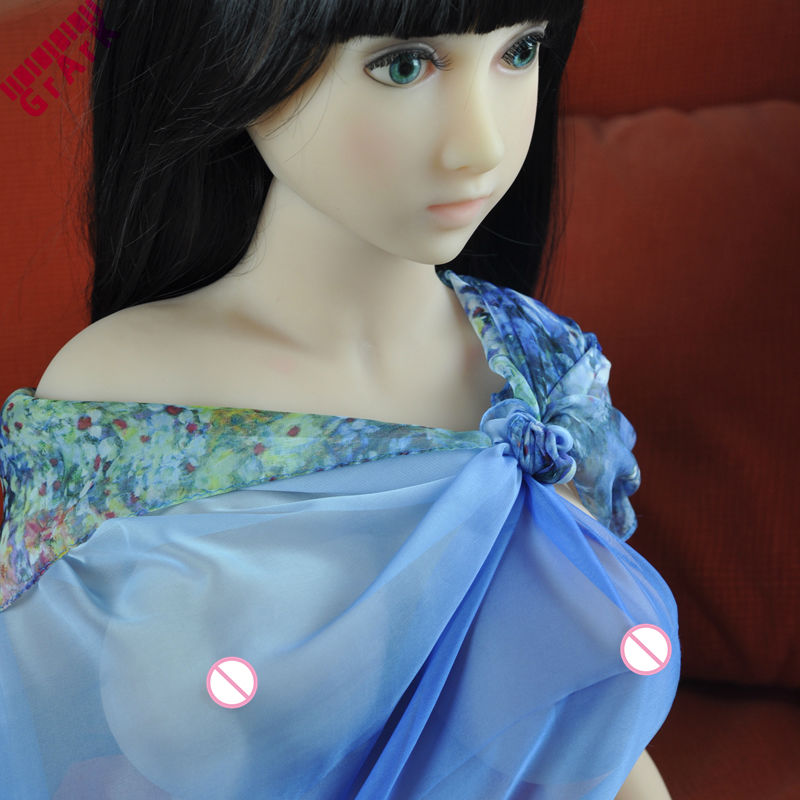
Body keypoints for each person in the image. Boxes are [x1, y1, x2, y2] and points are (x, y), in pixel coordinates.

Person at [0, 0, 680, 797]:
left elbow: (596, 729)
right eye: (403, 65)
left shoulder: (547, 372)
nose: (481, 145)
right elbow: (71, 715)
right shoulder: (130, 408)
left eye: (520, 51)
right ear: (236, 51)